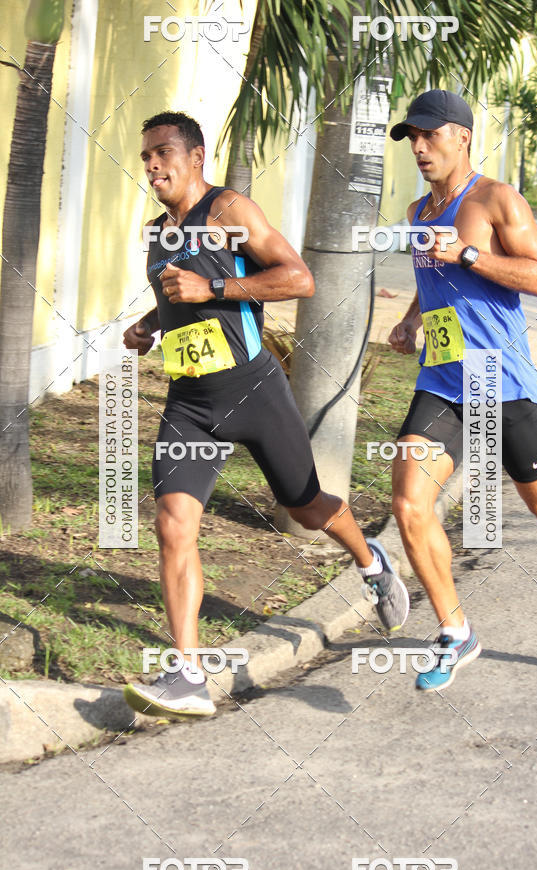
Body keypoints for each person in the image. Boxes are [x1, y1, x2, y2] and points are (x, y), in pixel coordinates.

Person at [122, 110, 409, 717]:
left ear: (196, 156)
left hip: (254, 392)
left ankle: (371, 560)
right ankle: (188, 674)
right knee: (173, 525)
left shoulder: (228, 212)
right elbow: (179, 304)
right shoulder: (155, 232)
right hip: (190, 404)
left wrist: (214, 291)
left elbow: (298, 279)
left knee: (308, 508)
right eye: (145, 155)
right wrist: (149, 326)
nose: (151, 164)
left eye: (163, 152)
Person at [387, 89, 537, 691]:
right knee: (408, 503)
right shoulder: (417, 210)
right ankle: (456, 632)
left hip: (502, 383)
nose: (420, 147)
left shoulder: (497, 199)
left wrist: (472, 253)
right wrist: (411, 318)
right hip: (444, 381)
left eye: (430, 135)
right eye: (412, 138)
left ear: (462, 137)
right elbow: (434, 277)